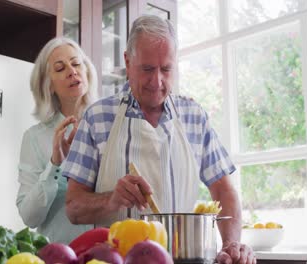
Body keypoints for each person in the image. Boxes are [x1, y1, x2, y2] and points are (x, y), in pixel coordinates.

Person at [63, 15, 256, 263]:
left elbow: (224, 190)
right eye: (147, 69)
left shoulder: (194, 117)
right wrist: (111, 200)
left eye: (166, 69)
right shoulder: (97, 118)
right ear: (127, 61)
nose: (157, 81)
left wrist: (231, 243)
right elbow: (73, 207)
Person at [16, 37, 97, 244]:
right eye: (60, 68)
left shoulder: (110, 126)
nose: (72, 71)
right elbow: (29, 217)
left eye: (76, 63)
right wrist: (54, 164)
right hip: (59, 256)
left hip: (109, 254)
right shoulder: (35, 137)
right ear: (48, 85)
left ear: (86, 70)